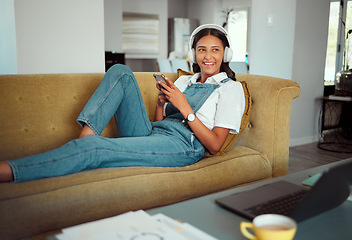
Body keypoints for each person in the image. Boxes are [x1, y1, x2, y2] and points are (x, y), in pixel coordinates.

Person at [0, 24, 245, 183]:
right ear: (193, 55)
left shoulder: (231, 89)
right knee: (120, 71)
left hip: (183, 145)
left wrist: (185, 108)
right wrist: (161, 104)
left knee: (97, 150)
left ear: (225, 54)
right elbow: (159, 124)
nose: (208, 56)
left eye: (215, 50)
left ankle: (9, 171)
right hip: (155, 133)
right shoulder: (184, 81)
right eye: (202, 50)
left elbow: (214, 146)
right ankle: (87, 137)